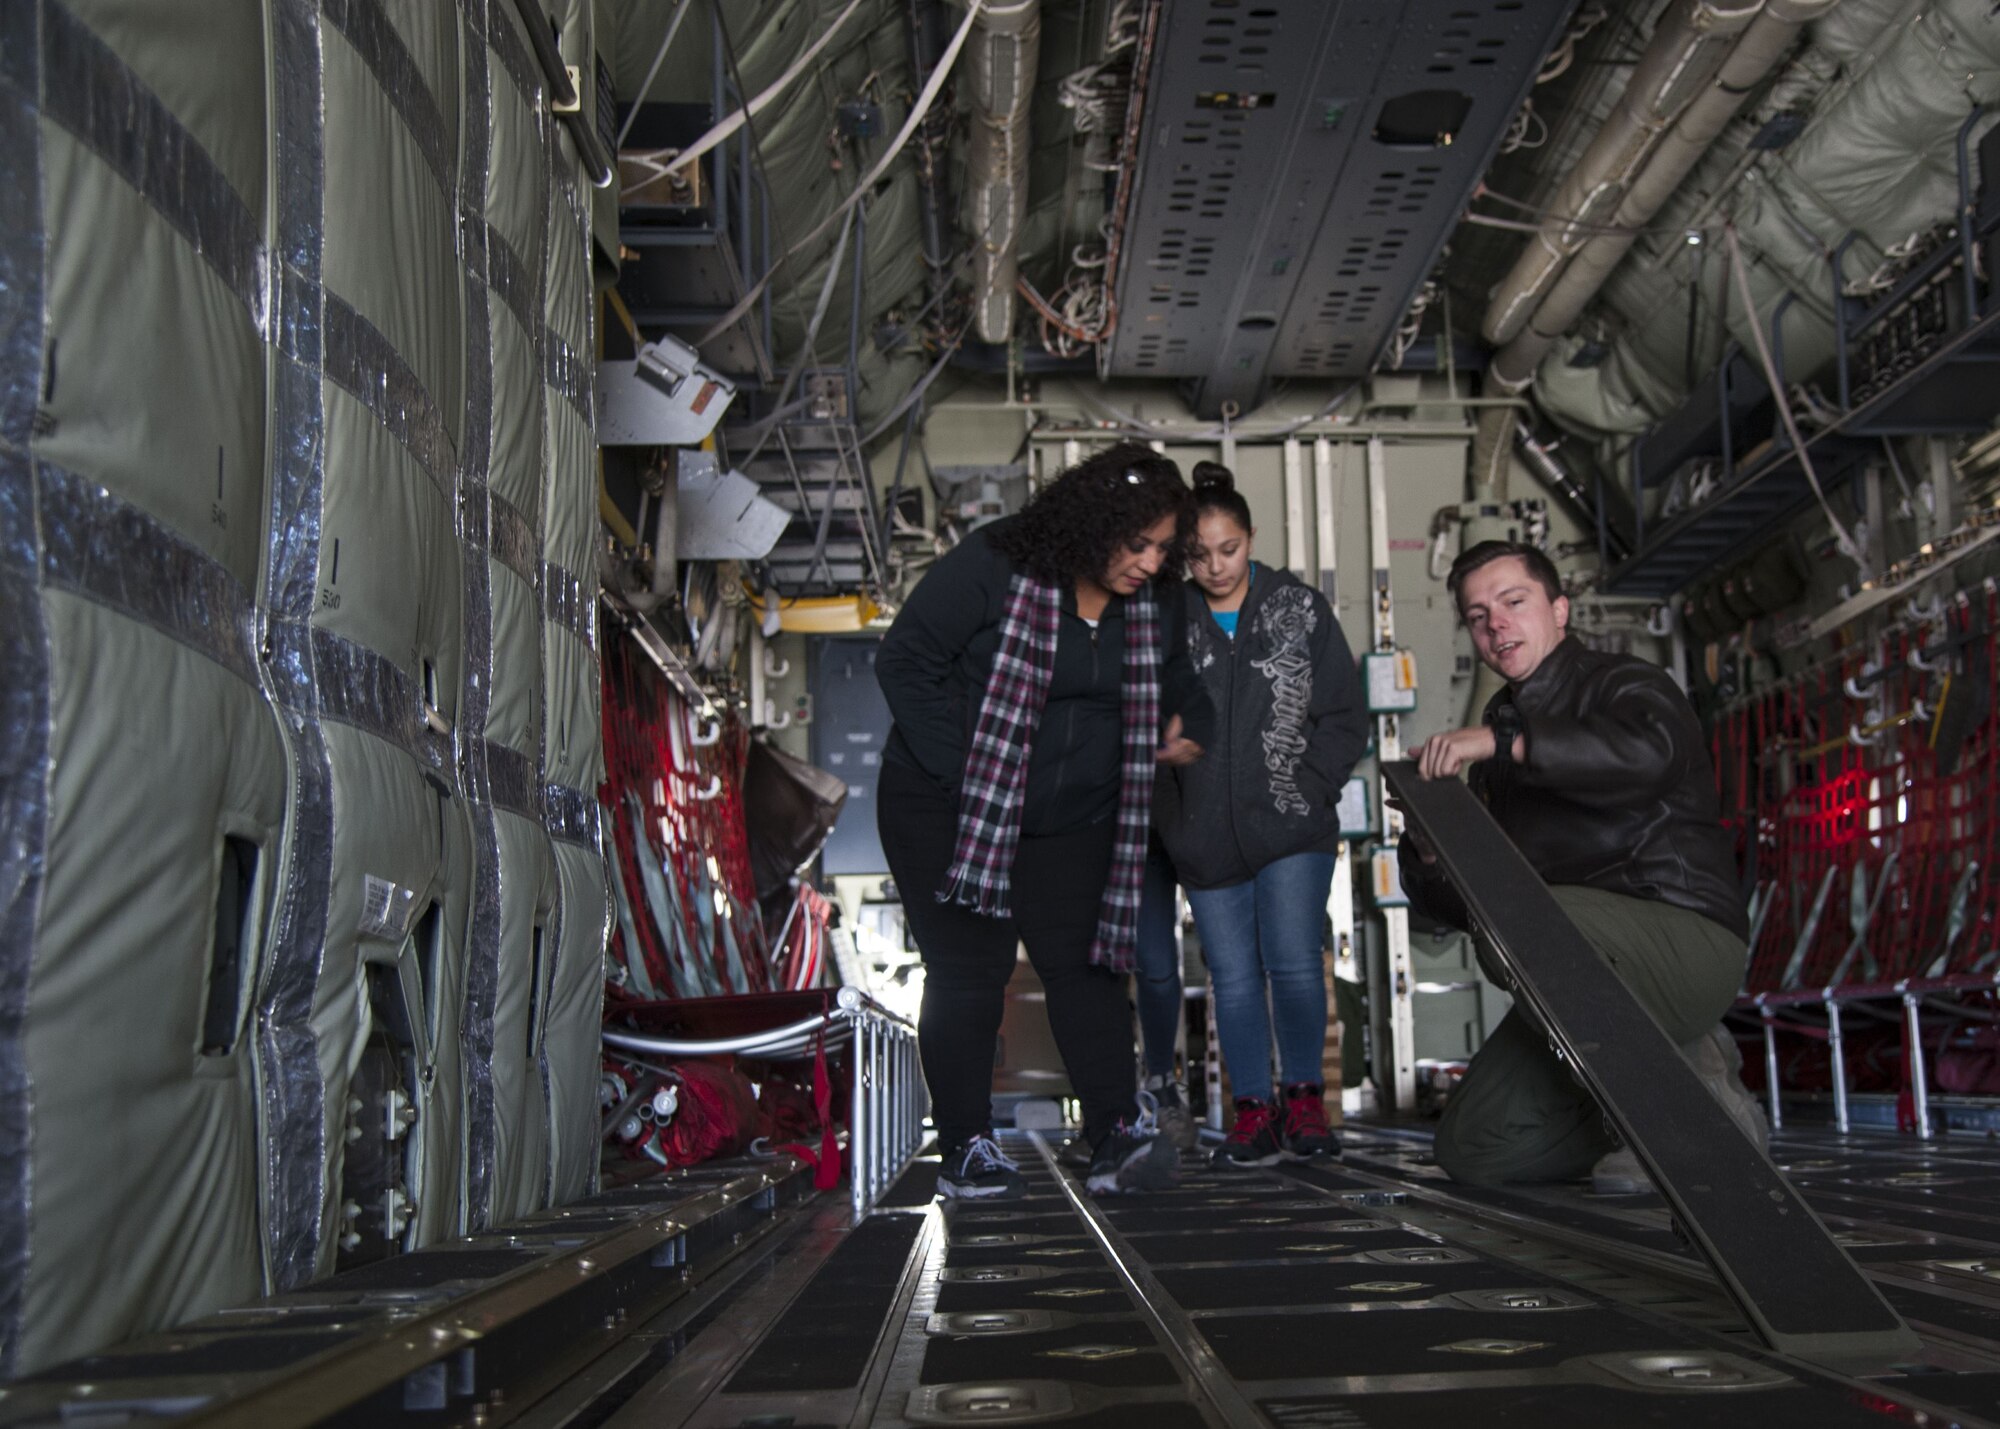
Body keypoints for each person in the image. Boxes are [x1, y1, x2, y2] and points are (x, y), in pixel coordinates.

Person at [875, 443, 1215, 1200]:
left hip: (1073, 813)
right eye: (1138, 544)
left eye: (1164, 547)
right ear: (1092, 526)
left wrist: (1190, 725)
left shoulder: (1156, 601)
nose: (1152, 563)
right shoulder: (998, 562)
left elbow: (1184, 685)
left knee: (1089, 969)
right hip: (948, 803)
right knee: (970, 972)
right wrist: (971, 777)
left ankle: (1116, 1134)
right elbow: (906, 661)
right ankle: (966, 1144)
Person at [1402, 539, 1766, 1192]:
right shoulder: (1498, 737)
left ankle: (1677, 1122)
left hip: (1685, 937)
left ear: (1560, 609)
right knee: (1475, 1147)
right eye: (1479, 614)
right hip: (1572, 957)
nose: (1497, 624)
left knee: (1518, 923)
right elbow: (1466, 908)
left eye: (1514, 602)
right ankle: (1677, 1073)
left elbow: (1648, 756)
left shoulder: (1625, 685)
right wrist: (1432, 848)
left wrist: (1504, 743)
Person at [1155, 463, 1368, 1168]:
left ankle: (1305, 1100)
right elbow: (1139, 725)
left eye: (1229, 549)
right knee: (1234, 977)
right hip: (1204, 834)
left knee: (1295, 964)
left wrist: (1308, 789)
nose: (1215, 566)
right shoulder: (1166, 617)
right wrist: (1172, 811)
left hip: (1292, 827)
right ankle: (1253, 1111)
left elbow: (1343, 715)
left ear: (1251, 539)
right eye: (1199, 553)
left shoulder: (1298, 609)